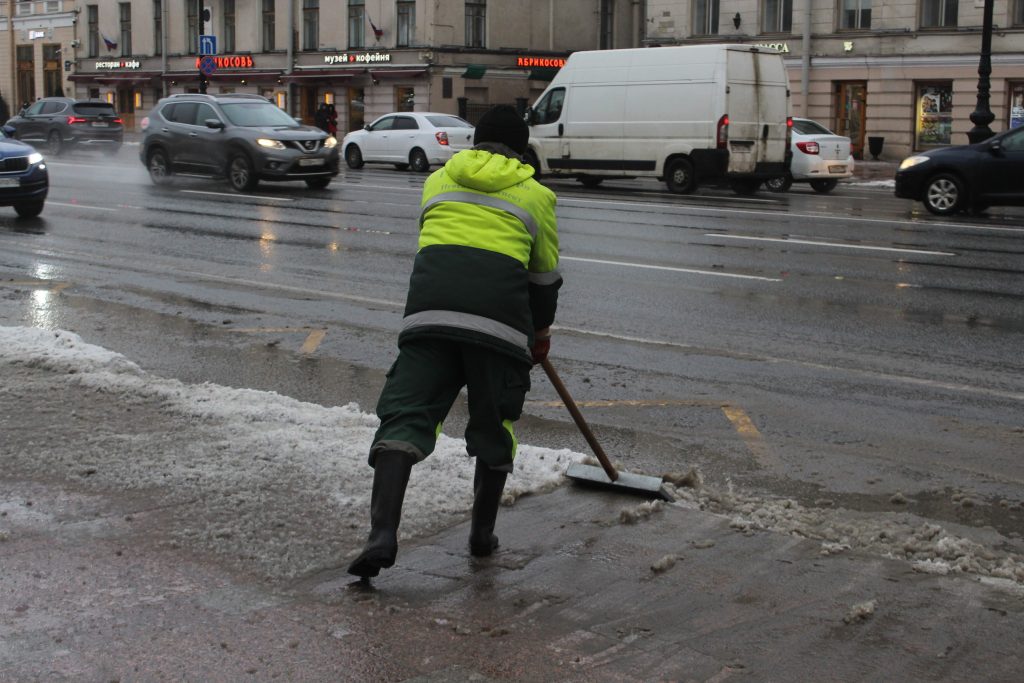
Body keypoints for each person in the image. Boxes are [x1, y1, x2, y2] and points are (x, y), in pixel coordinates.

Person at [348, 105, 561, 579]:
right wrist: (540, 336)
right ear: (522, 148)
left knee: (403, 418)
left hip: (428, 317)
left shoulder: (437, 182)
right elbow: (544, 279)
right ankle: (481, 537)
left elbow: (438, 244)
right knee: (493, 426)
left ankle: (381, 535)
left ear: (475, 141)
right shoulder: (537, 196)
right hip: (499, 329)